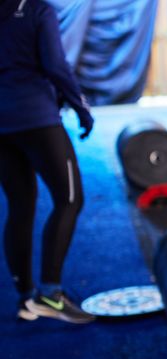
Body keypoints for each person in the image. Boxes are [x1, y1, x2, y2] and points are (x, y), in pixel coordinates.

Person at [0, 0, 96, 324]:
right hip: (36, 118)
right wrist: (81, 106)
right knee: (69, 199)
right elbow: (55, 64)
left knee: (20, 205)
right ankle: (50, 294)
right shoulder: (40, 10)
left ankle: (26, 297)